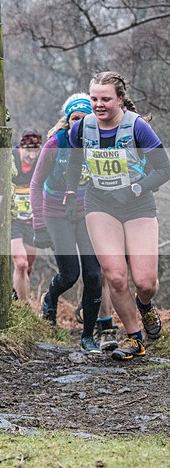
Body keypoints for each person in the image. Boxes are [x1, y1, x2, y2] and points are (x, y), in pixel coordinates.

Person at [67, 71, 170, 360]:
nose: (98, 105)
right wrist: (70, 193)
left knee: (146, 282)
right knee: (115, 277)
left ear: (120, 99)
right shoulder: (81, 128)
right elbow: (74, 163)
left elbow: (164, 168)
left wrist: (135, 188)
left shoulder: (137, 128)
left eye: (105, 99)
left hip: (138, 205)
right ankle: (134, 339)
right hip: (100, 204)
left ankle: (146, 306)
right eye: (94, 98)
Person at [29, 95, 104, 353]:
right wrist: (38, 225)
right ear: (67, 120)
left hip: (86, 214)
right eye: (75, 119)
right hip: (55, 214)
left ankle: (88, 337)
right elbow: (36, 184)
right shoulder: (55, 143)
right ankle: (49, 298)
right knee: (70, 274)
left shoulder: (97, 143)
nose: (79, 124)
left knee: (94, 274)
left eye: (85, 120)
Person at [11, 128, 42, 303]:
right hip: (12, 219)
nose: (32, 156)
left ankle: (16, 298)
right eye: (28, 151)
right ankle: (23, 309)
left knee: (27, 267)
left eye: (35, 151)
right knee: (20, 263)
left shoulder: (40, 163)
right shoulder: (11, 159)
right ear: (21, 147)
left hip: (31, 220)